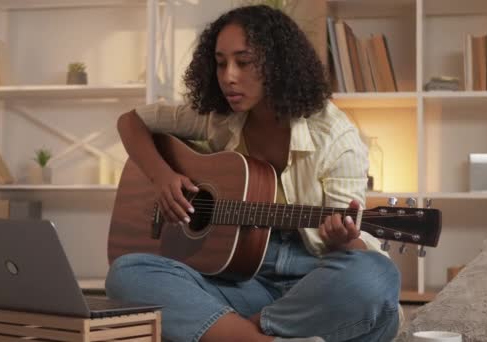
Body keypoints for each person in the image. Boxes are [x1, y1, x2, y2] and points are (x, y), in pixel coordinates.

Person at [106, 5, 401, 342]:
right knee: (127, 273)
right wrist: (161, 177)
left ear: (278, 64)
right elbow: (131, 121)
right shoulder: (216, 117)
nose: (228, 76)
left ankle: (232, 331)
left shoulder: (336, 136)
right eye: (220, 63)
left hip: (312, 283)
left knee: (376, 276)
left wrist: (344, 239)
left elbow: (356, 252)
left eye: (243, 62)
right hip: (239, 281)